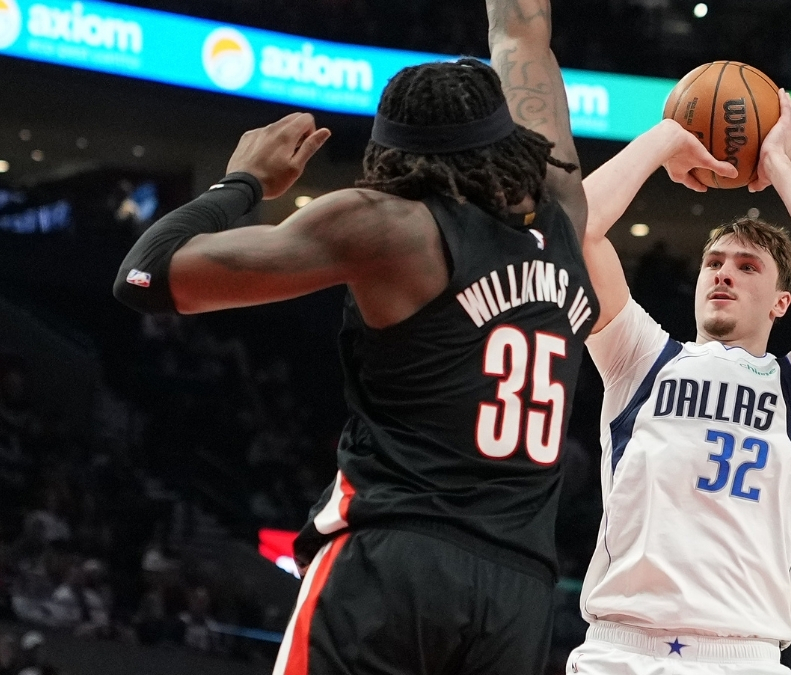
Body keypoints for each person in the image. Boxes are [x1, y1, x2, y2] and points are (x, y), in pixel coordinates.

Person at [112, 0, 596, 671]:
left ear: (389, 151)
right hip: (519, 590)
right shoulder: (565, 207)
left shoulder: (385, 226)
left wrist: (243, 182)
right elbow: (521, 31)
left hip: (393, 559)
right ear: (506, 137)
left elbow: (144, 276)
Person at [569, 90, 791, 673]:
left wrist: (776, 162)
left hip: (741, 656)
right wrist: (665, 140)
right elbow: (576, 230)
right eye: (714, 263)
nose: (724, 274)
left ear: (782, 302)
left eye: (747, 267)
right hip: (618, 649)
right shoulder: (641, 358)